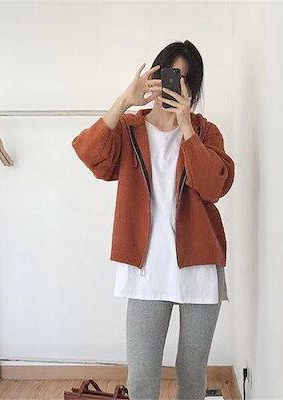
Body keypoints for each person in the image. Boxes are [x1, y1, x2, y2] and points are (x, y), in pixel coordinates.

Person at [72, 40, 235, 400]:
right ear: (154, 77)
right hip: (147, 269)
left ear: (193, 89)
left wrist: (186, 127)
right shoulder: (129, 129)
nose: (173, 85)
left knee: (191, 370)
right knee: (142, 374)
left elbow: (213, 187)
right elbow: (89, 153)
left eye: (184, 79)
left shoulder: (205, 132)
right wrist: (124, 100)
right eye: (169, 75)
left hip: (198, 265)